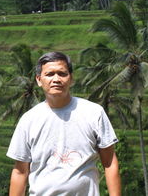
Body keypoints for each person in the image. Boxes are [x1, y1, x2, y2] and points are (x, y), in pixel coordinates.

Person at [7, 51, 121, 196]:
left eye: (62, 73)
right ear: (39, 80)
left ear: (71, 79)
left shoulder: (93, 113)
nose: (56, 79)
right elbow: (20, 172)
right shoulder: (29, 120)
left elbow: (110, 162)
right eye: (49, 74)